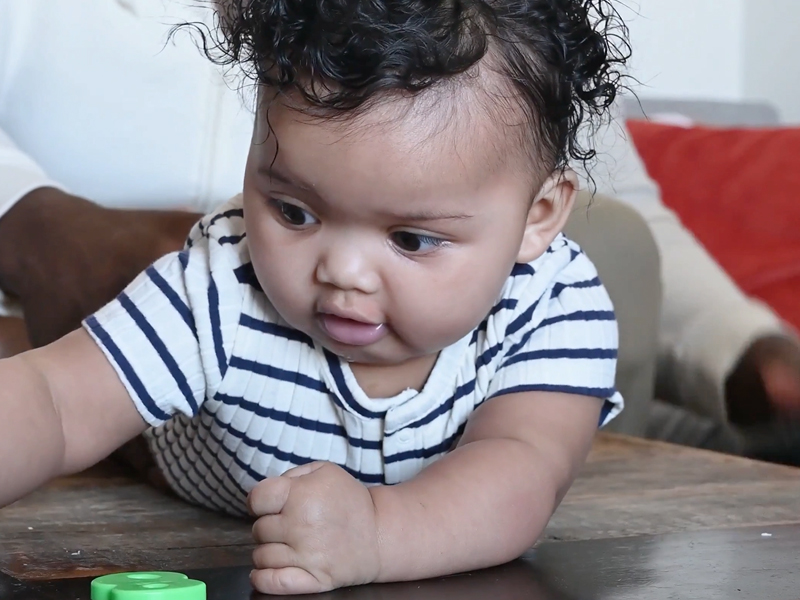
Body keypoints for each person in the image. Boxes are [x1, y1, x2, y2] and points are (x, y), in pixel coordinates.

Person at [1, 0, 626, 593]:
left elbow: (523, 470)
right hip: (159, 444)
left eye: (411, 238)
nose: (343, 272)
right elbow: (55, 401)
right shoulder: (225, 280)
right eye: (295, 212)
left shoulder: (554, 307)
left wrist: (378, 534)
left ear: (538, 216)